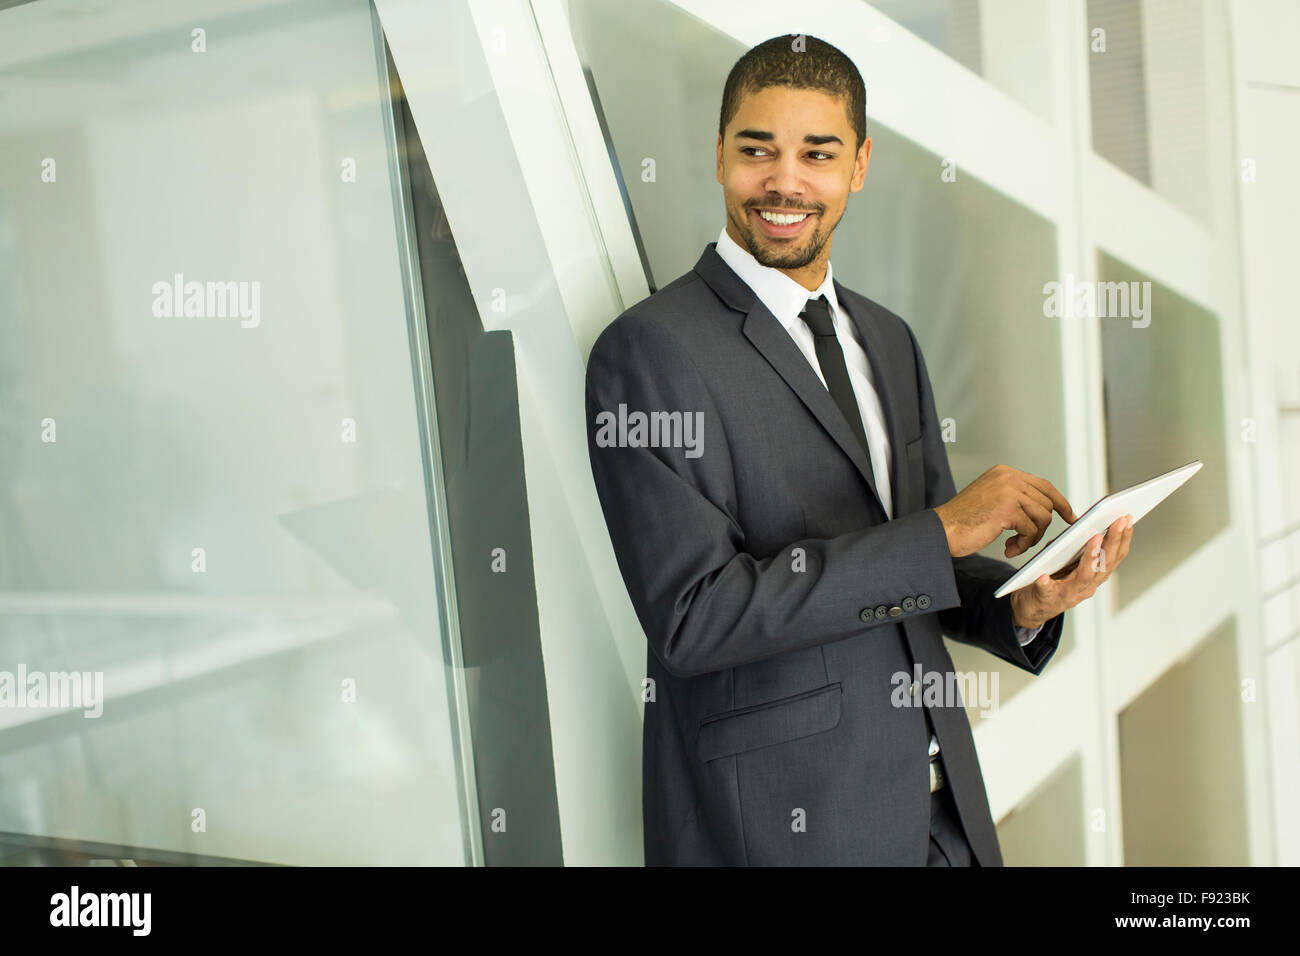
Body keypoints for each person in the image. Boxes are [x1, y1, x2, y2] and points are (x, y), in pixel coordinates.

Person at [584, 33, 1133, 866]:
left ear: (861, 165)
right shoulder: (650, 351)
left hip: (947, 815)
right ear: (719, 155)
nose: (785, 182)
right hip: (784, 826)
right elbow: (695, 619)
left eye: (818, 153)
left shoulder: (887, 337)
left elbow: (917, 572)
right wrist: (943, 532)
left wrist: (1019, 605)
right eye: (756, 150)